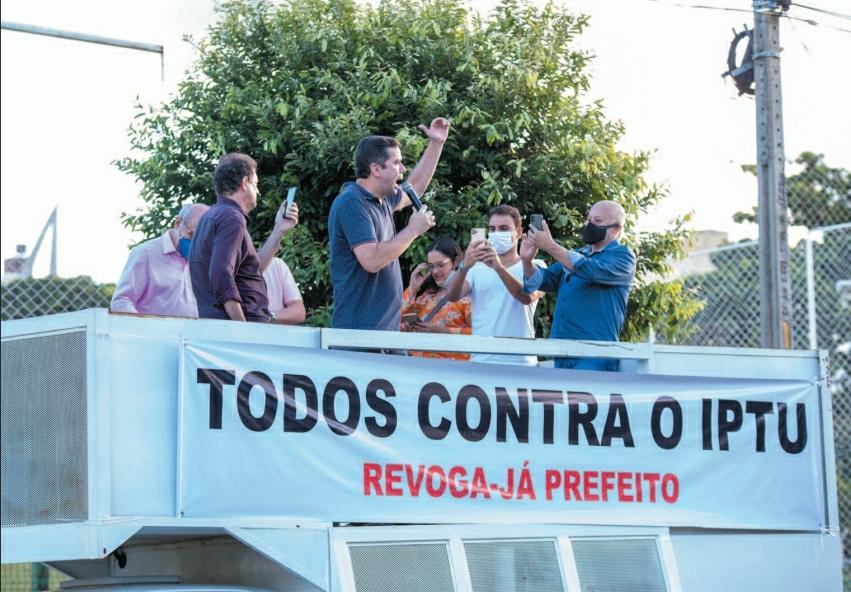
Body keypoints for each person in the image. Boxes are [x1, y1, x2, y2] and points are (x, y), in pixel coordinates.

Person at [328, 118, 451, 331]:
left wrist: (437, 144)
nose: (403, 169)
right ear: (375, 169)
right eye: (396, 163)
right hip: (360, 336)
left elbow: (416, 187)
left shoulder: (383, 200)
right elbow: (372, 260)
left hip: (385, 332)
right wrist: (413, 230)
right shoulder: (352, 203)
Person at [521, 200, 636, 371]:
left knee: (591, 397)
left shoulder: (623, 256)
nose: (590, 225)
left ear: (616, 228)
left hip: (595, 355)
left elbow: (590, 271)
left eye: (597, 221)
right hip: (563, 351)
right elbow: (545, 280)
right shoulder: (579, 254)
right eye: (589, 219)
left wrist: (551, 246)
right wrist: (526, 260)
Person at [190, 153, 299, 322]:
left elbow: (253, 269)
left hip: (219, 326)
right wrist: (241, 327)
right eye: (255, 184)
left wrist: (279, 229)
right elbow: (221, 275)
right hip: (237, 330)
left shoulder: (212, 216)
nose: (258, 191)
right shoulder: (231, 217)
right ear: (244, 182)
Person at [445, 204, 545, 366]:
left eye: (504, 229)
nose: (497, 234)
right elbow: (452, 296)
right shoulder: (476, 268)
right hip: (482, 360)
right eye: (492, 229)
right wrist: (465, 266)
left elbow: (527, 297)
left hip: (520, 361)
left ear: (518, 232)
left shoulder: (535, 265)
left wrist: (499, 268)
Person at [110, 203, 209, 317]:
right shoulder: (145, 253)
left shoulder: (204, 260)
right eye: (192, 235)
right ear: (178, 223)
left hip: (195, 333)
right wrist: (144, 329)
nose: (197, 244)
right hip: (153, 333)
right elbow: (121, 301)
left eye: (203, 240)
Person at [401, 235, 472, 360]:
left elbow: (481, 337)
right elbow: (394, 320)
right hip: (418, 371)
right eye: (431, 266)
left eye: (441, 265)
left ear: (455, 262)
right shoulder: (427, 296)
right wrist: (412, 288)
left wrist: (442, 331)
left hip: (452, 374)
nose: (435, 271)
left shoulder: (468, 296)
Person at [263, 257, 306, 325]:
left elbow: (299, 311)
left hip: (275, 333)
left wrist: (268, 317)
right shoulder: (240, 267)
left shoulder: (276, 264)